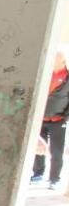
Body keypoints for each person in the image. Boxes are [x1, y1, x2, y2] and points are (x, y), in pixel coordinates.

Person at [31, 49, 68, 190]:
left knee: (56, 151)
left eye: (55, 59)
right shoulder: (46, 74)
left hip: (58, 120)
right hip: (41, 118)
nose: (52, 61)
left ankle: (54, 179)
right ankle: (37, 173)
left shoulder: (67, 77)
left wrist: (64, 117)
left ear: (63, 61)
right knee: (39, 148)